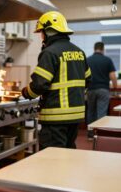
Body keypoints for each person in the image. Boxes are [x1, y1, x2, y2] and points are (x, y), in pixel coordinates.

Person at [21, 11, 91, 150]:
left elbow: (39, 85)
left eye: (42, 33)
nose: (41, 36)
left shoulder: (50, 52)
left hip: (55, 118)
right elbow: (88, 80)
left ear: (49, 32)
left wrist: (26, 93)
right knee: (68, 153)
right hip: (75, 117)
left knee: (52, 159)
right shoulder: (79, 52)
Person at [86, 42, 117, 138]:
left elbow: (84, 76)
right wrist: (115, 87)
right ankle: (99, 135)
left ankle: (90, 134)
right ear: (103, 49)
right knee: (101, 112)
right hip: (103, 90)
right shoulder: (107, 60)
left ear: (94, 48)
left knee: (90, 111)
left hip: (90, 89)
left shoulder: (88, 60)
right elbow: (112, 76)